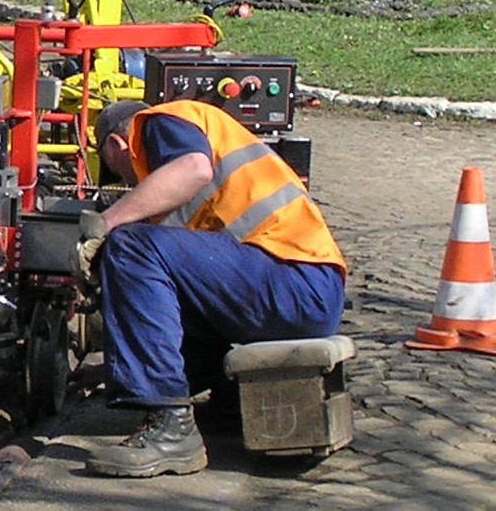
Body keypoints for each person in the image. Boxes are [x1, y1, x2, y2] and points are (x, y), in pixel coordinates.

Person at [70, 98, 346, 478]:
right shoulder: (200, 145)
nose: (131, 183)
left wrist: (107, 224)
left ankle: (171, 428)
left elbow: (193, 168)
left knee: (130, 245)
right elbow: (170, 297)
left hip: (294, 281)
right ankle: (229, 401)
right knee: (160, 270)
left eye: (120, 172)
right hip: (300, 289)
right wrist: (118, 362)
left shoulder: (158, 123)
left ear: (117, 145)